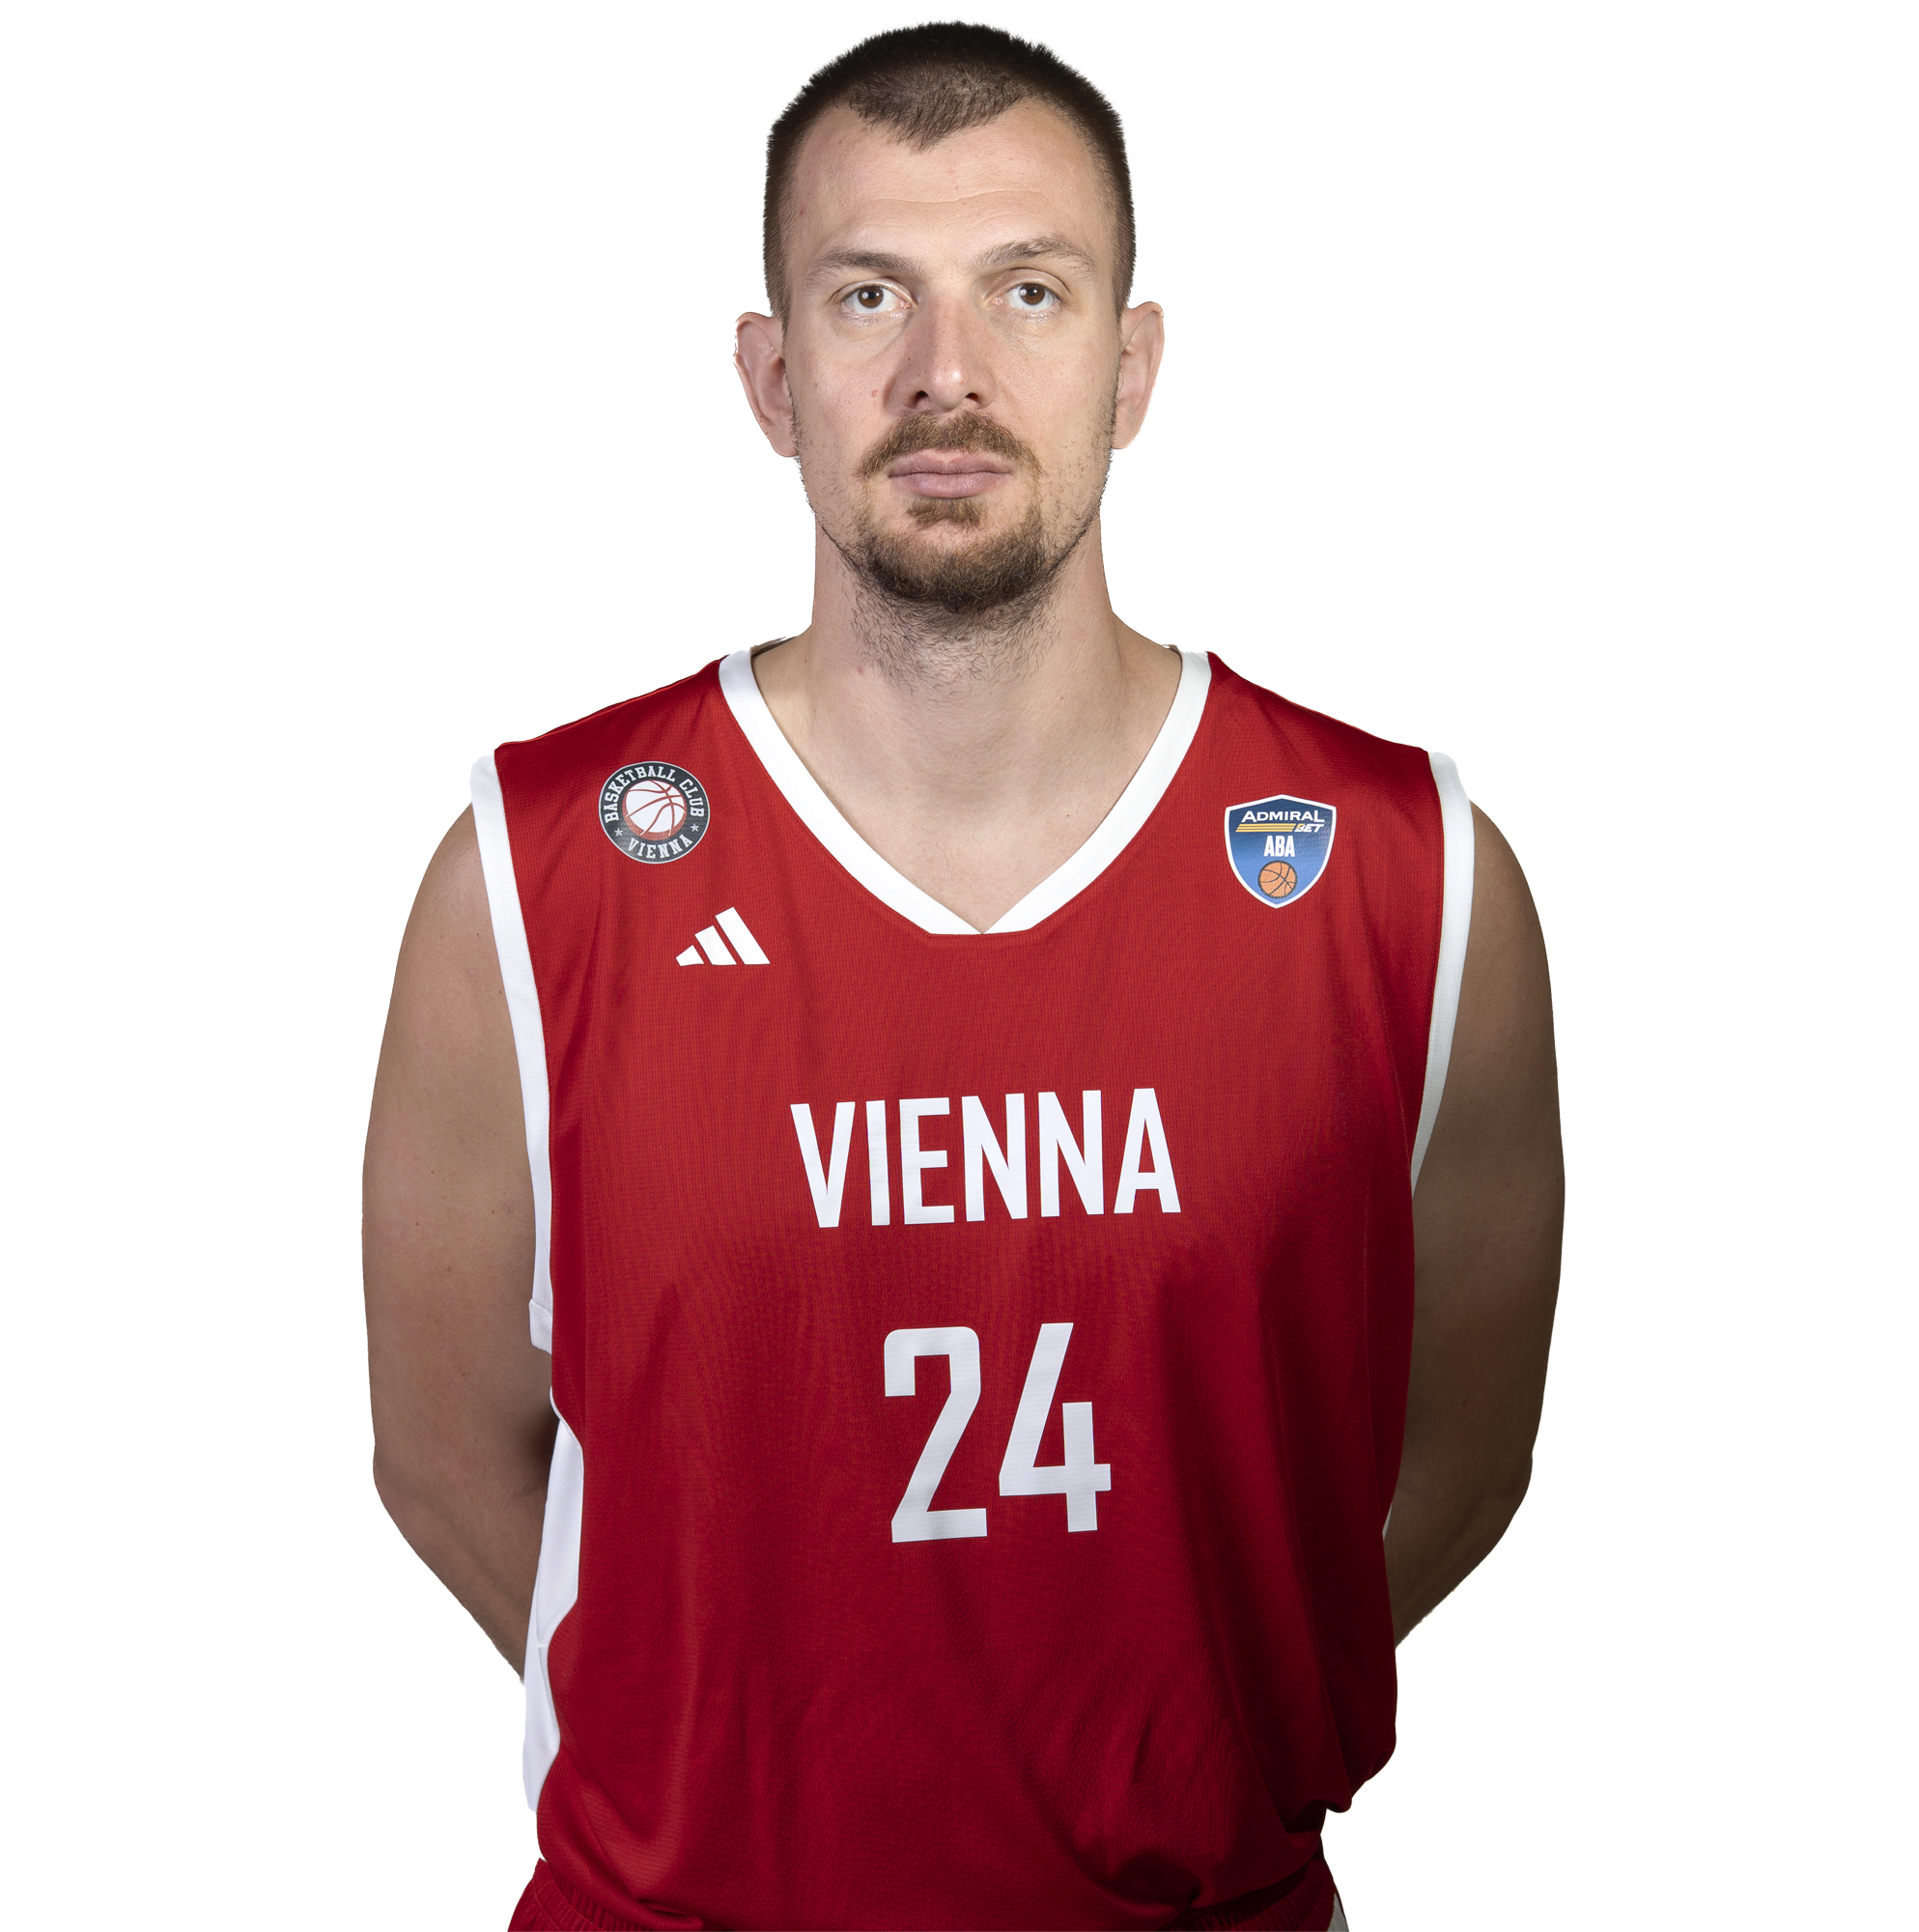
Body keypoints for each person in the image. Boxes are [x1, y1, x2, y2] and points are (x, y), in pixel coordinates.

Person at [363, 21, 1562, 1932]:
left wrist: (1187, 1723)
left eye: (1028, 289)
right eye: (868, 296)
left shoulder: (1402, 876)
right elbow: (444, 1458)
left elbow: (1456, 1456)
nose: (947, 372)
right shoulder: (540, 873)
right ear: (772, 377)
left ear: (1130, 365)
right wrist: (740, 1746)